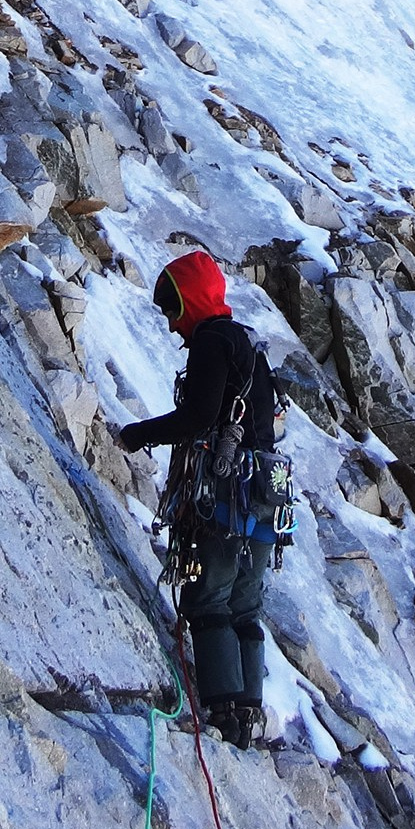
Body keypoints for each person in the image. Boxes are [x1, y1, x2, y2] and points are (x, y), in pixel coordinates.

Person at [118, 250, 281, 751]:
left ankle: (220, 710)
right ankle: (247, 713)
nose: (171, 326)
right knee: (245, 604)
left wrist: (135, 435)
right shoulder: (249, 345)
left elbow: (197, 418)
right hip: (264, 495)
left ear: (190, 301)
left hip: (223, 495)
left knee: (207, 595)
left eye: (173, 310)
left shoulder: (212, 342)